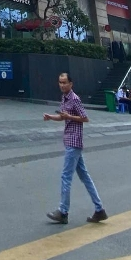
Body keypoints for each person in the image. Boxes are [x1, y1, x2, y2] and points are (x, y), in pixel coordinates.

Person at [44, 71, 107, 225]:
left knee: (66, 176)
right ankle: (99, 209)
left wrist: (69, 117)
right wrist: (51, 117)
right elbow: (62, 116)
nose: (62, 85)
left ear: (71, 84)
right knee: (85, 176)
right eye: (60, 82)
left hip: (74, 141)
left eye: (64, 82)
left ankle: (63, 211)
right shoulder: (64, 98)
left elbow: (85, 118)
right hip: (69, 140)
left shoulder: (74, 99)